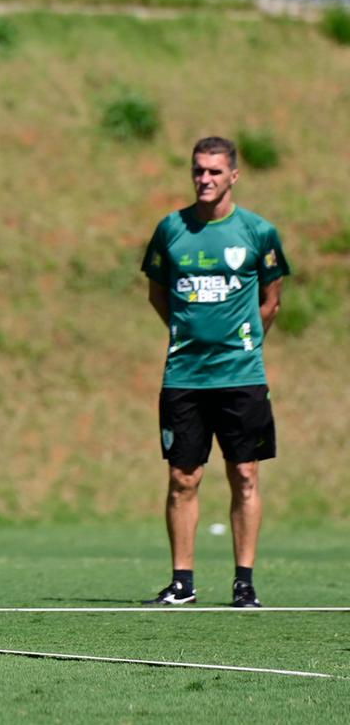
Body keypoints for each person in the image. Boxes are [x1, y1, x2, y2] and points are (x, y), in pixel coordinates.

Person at [140, 137, 289, 608]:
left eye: (215, 172)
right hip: (184, 375)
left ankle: (244, 582)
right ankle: (182, 582)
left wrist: (242, 342)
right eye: (198, 171)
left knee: (244, 473)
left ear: (233, 176)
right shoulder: (171, 229)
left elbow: (272, 301)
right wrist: (190, 335)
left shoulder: (258, 232)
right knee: (183, 477)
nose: (205, 179)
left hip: (242, 375)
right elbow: (157, 294)